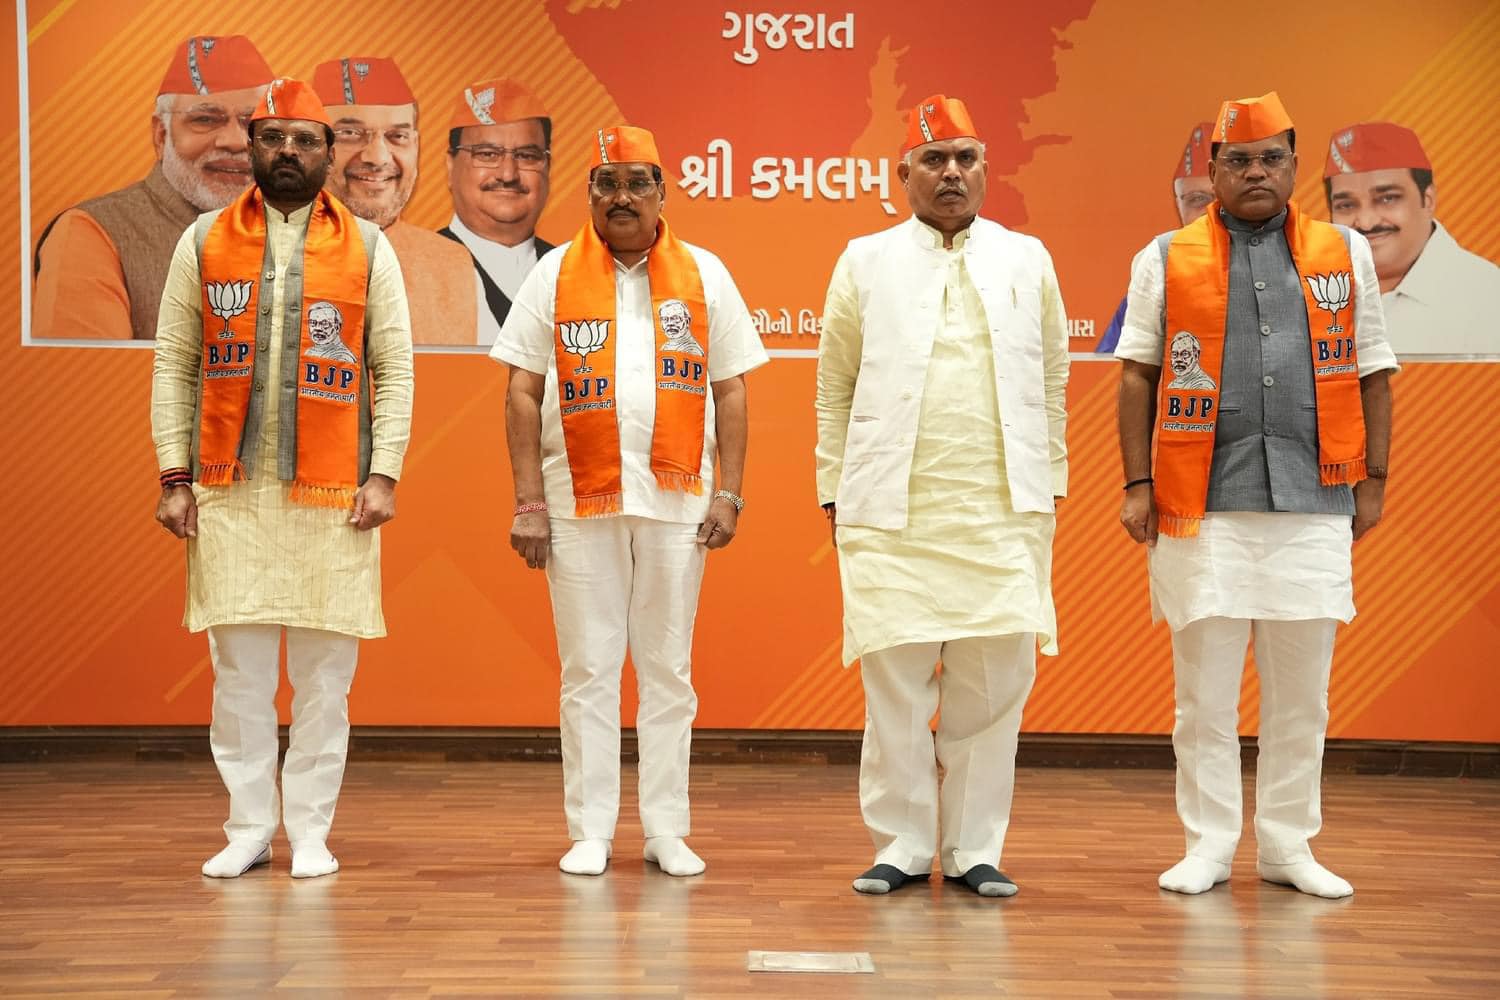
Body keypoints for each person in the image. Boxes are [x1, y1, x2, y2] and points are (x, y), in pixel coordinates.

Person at [1115, 91, 1398, 899]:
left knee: (1302, 698)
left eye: (1271, 157)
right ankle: (1208, 844)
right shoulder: (1165, 255)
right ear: (1213, 171)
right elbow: (1136, 374)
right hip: (1199, 503)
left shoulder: (1343, 251)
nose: (1255, 172)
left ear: (1295, 166)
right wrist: (1137, 484)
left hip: (1315, 497)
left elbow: (1374, 368)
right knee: (1203, 697)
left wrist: (1374, 480)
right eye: (1238, 160)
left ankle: (1287, 846)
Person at [151, 77, 414, 880]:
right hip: (230, 491)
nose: (289, 152)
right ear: (253, 146)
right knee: (240, 676)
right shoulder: (203, 240)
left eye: (305, 139)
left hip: (334, 496)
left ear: (327, 152)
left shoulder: (368, 246)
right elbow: (176, 362)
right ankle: (248, 828)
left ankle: (310, 830)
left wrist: (384, 474)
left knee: (324, 681)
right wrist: (174, 476)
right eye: (274, 138)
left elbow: (394, 368)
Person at [494, 125, 767, 878]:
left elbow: (732, 390)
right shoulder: (553, 273)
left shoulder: (705, 273)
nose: (622, 197)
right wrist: (527, 503)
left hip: (679, 503)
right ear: (589, 194)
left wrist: (730, 492)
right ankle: (590, 830)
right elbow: (521, 392)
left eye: (637, 183)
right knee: (588, 667)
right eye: (607, 183)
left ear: (662, 193)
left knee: (667, 667)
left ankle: (665, 828)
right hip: (576, 500)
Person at [816, 95, 1069, 898]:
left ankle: (972, 849)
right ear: (904, 175)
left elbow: (1053, 378)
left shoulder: (1027, 258)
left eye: (965, 158)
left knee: (991, 692)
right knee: (895, 687)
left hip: (1002, 509)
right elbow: (835, 386)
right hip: (889, 509)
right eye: (934, 160)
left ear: (987, 168)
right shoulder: (864, 260)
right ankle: (900, 843)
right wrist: (832, 486)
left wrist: (1051, 481)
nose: (951, 172)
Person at [32, 35, 273, 340]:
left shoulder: (295, 227)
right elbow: (83, 367)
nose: (235, 141)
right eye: (205, 119)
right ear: (161, 136)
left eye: (252, 124)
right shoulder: (93, 233)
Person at [313, 56, 479, 345]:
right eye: (350, 133)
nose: (378, 157)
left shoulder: (451, 264)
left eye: (397, 136)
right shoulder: (271, 253)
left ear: (416, 145)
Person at [1324, 121, 1500, 355]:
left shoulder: (1487, 299)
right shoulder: (1311, 291)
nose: (1366, 222)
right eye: (1346, 205)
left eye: (1387, 198)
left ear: (1428, 200)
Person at [443, 78, 556, 345]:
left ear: (547, 167)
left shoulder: (571, 271)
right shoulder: (411, 271)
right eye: (487, 154)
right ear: (450, 166)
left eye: (527, 156)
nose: (508, 174)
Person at [1097, 122, 1216, 353]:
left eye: (1220, 197)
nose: (1210, 210)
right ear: (1179, 206)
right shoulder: (1155, 272)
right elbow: (1113, 366)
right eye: (1197, 199)